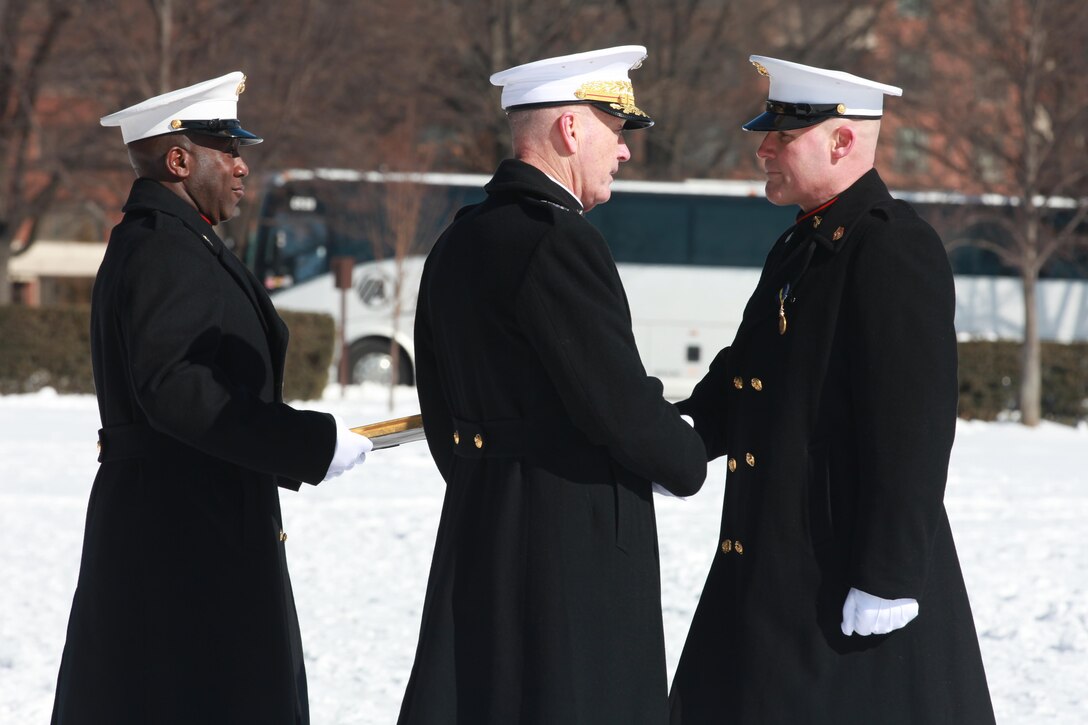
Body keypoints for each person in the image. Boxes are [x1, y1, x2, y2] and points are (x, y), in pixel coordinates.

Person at [667, 55, 996, 724]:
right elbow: (747, 373)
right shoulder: (802, 245)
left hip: (842, 576)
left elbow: (915, 427)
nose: (763, 148)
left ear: (842, 140)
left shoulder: (890, 247)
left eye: (783, 137)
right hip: (772, 565)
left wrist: (890, 574)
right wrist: (677, 436)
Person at [51, 72, 373, 725]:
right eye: (227, 150)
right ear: (178, 159)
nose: (241, 166)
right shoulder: (164, 247)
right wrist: (303, 442)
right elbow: (174, 385)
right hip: (183, 539)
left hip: (186, 525)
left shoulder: (176, 239)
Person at [398, 46, 707, 724]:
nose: (623, 153)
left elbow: (439, 400)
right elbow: (617, 401)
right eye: (616, 131)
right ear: (571, 131)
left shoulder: (461, 237)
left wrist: (488, 476)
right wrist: (685, 458)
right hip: (570, 541)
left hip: (481, 516)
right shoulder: (559, 239)